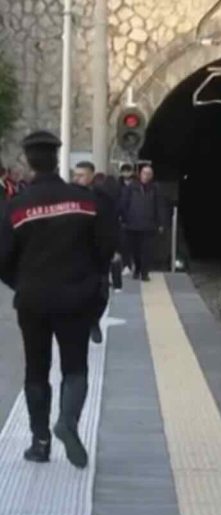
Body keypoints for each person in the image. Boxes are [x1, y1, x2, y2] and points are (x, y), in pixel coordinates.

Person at [0, 131, 118, 468]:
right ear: (57, 158)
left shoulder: (16, 206)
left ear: (29, 160)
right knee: (75, 366)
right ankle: (68, 421)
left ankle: (40, 443)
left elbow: (2, 258)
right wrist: (91, 279)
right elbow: (105, 245)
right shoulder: (84, 201)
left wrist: (22, 281)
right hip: (76, 298)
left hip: (34, 299)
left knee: (36, 369)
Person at [73, 161, 122, 344]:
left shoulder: (102, 198)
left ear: (92, 176)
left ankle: (94, 320)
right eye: (75, 175)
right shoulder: (68, 196)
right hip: (74, 252)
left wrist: (115, 249)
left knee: (101, 292)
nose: (77, 179)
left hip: (98, 252)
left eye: (81, 175)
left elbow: (112, 224)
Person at [120, 164, 163, 282]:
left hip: (149, 225)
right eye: (144, 173)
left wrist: (160, 223)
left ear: (152, 176)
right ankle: (137, 268)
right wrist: (124, 218)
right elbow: (124, 203)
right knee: (135, 250)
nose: (146, 176)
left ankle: (145, 273)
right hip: (133, 224)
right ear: (140, 174)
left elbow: (159, 206)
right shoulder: (132, 187)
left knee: (147, 250)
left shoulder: (155, 188)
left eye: (149, 174)